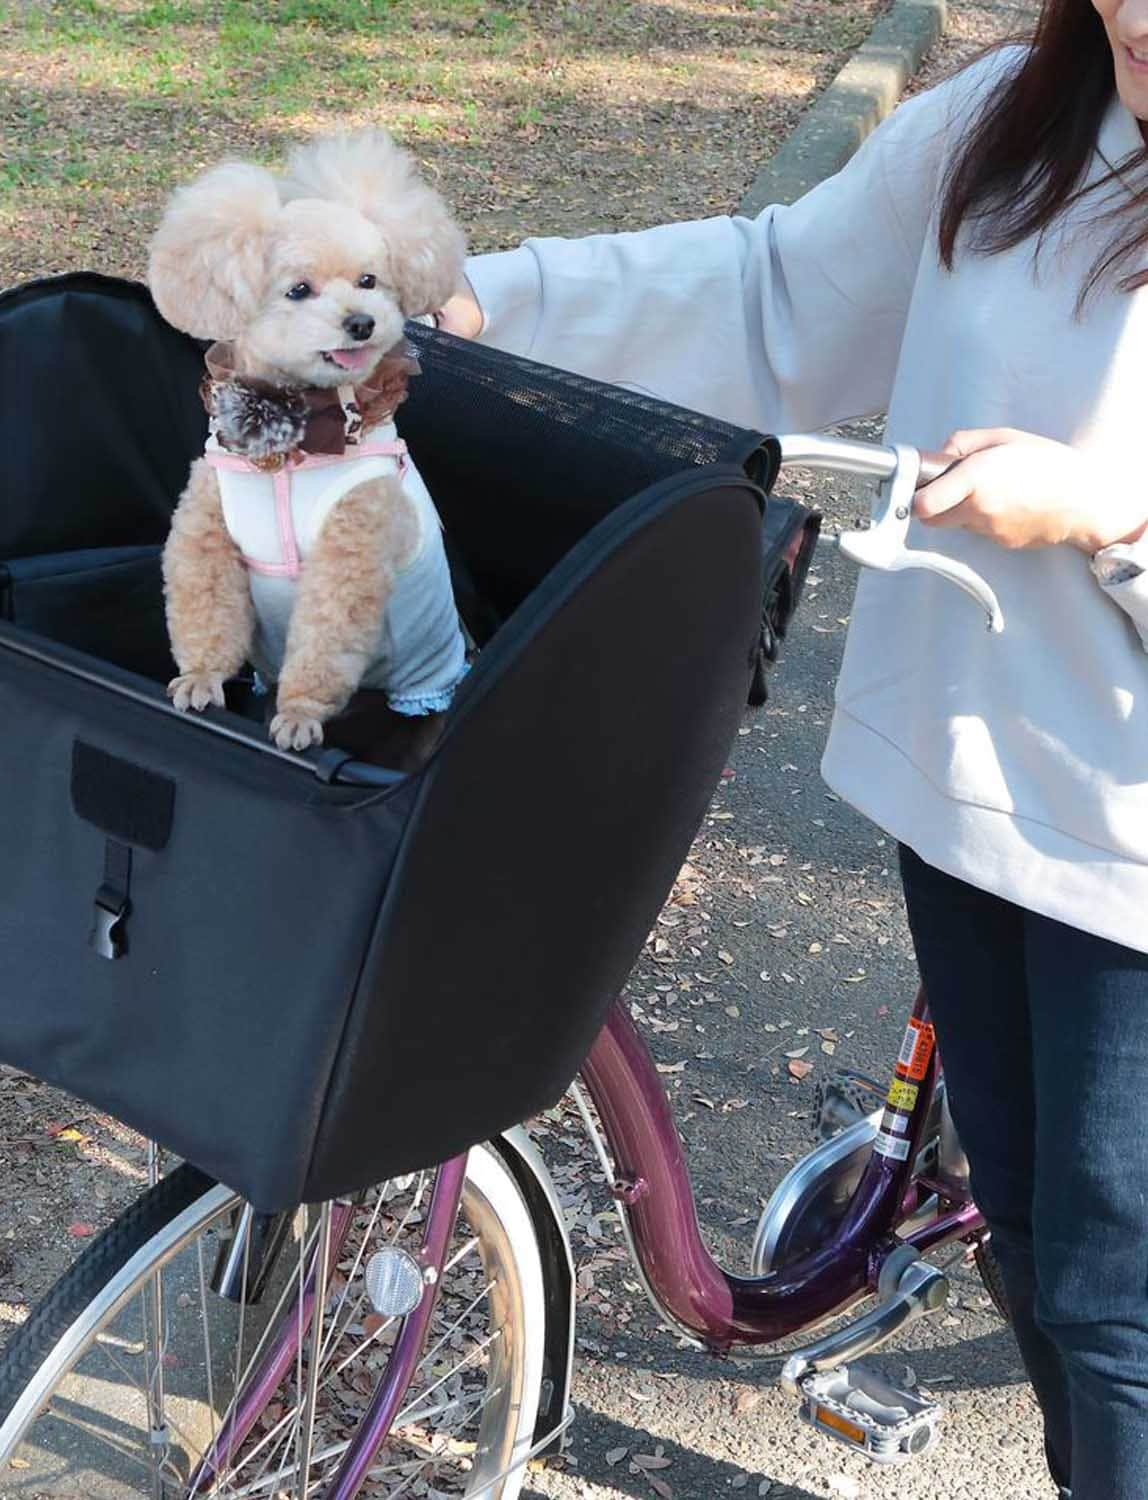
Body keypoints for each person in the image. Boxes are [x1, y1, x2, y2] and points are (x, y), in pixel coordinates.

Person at [439, 3, 1148, 1496]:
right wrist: (478, 305)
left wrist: (1105, 519)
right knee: (1034, 1243)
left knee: (1109, 1308)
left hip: (1134, 871)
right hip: (967, 804)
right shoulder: (1014, 119)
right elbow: (773, 294)